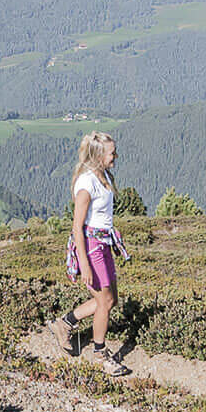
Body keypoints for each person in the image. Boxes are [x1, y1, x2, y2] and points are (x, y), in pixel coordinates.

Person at [51, 131, 131, 377]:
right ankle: (100, 354)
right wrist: (84, 264)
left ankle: (64, 323)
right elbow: (77, 227)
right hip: (92, 246)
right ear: (98, 155)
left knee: (110, 300)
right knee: (104, 302)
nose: (115, 156)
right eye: (111, 153)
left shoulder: (104, 175)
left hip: (103, 243)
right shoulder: (86, 184)